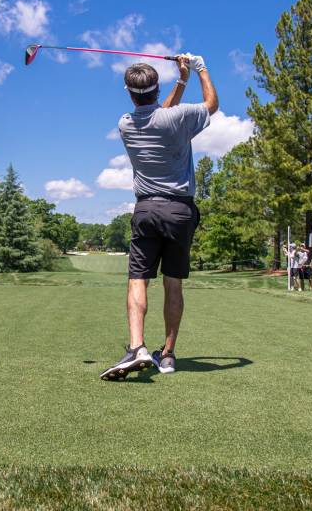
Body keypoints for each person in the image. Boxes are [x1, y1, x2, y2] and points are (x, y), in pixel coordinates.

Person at [100, 53, 217, 381]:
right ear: (156, 88)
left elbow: (158, 115)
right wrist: (198, 69)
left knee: (138, 278)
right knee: (173, 282)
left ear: (129, 92)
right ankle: (167, 355)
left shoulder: (125, 124)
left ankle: (137, 346)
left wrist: (180, 81)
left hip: (146, 209)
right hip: (180, 210)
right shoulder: (177, 118)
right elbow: (211, 103)